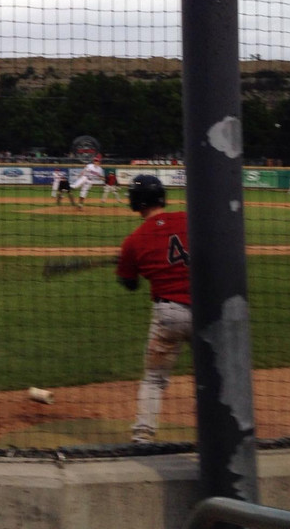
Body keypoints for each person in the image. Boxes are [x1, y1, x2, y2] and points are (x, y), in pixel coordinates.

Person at [115, 174, 192, 444]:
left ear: (136, 202)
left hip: (169, 315)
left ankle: (143, 437)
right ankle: (227, 431)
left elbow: (129, 284)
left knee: (154, 379)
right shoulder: (188, 219)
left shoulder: (133, 241)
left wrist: (125, 263)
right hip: (207, 311)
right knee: (214, 374)